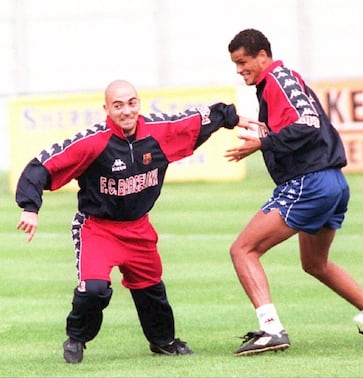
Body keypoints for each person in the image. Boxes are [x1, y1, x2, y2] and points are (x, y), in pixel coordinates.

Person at [15, 79, 247, 363]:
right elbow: (43, 165)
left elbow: (193, 122)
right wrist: (30, 207)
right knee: (94, 290)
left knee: (151, 288)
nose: (126, 110)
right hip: (98, 229)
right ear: (106, 109)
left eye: (131, 103)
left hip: (139, 228)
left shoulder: (158, 132)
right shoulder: (92, 142)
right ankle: (77, 338)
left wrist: (231, 118)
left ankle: (163, 342)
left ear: (138, 103)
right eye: (118, 105)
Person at [224, 29, 363, 356]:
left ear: (263, 55)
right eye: (235, 64)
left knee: (243, 250)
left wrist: (263, 142)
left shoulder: (277, 80)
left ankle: (271, 329)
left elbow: (307, 124)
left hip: (310, 183)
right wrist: (263, 132)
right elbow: (301, 123)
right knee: (315, 263)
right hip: (333, 183)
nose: (239, 70)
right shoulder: (281, 81)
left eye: (243, 62)